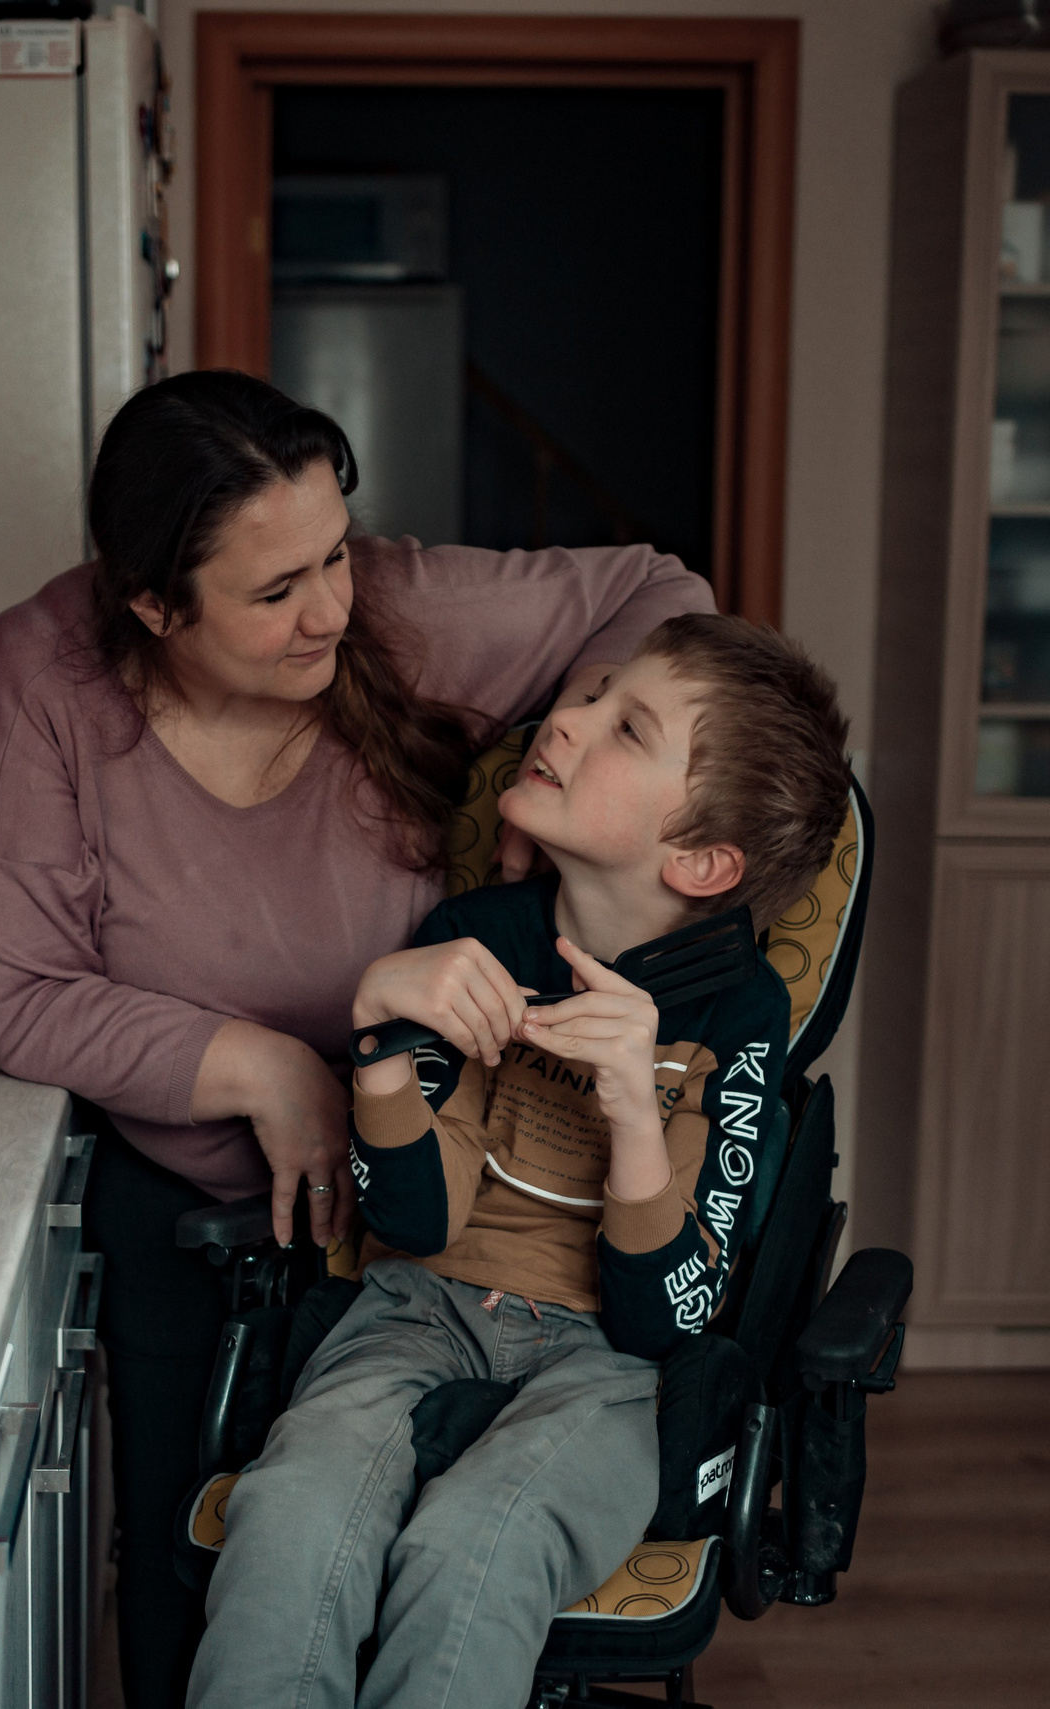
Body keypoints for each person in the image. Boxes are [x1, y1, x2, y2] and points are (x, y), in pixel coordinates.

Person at [0, 370, 712, 1709]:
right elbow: (20, 991)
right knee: (221, 1561)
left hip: (449, 1218)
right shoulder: (40, 677)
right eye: (276, 590)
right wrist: (263, 1065)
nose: (335, 610)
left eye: (336, 553)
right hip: (210, 1210)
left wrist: (554, 769)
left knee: (446, 1559)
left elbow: (662, 591)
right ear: (152, 602)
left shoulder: (397, 612)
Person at [186, 614, 851, 1709]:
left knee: (471, 1544)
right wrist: (379, 1037)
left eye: (625, 725)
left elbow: (668, 1316)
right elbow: (416, 1218)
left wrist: (637, 1109)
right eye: (587, 693)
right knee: (291, 1509)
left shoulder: (738, 1012)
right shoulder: (477, 935)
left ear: (698, 859)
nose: (568, 719)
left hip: (608, 1368)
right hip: (417, 1305)